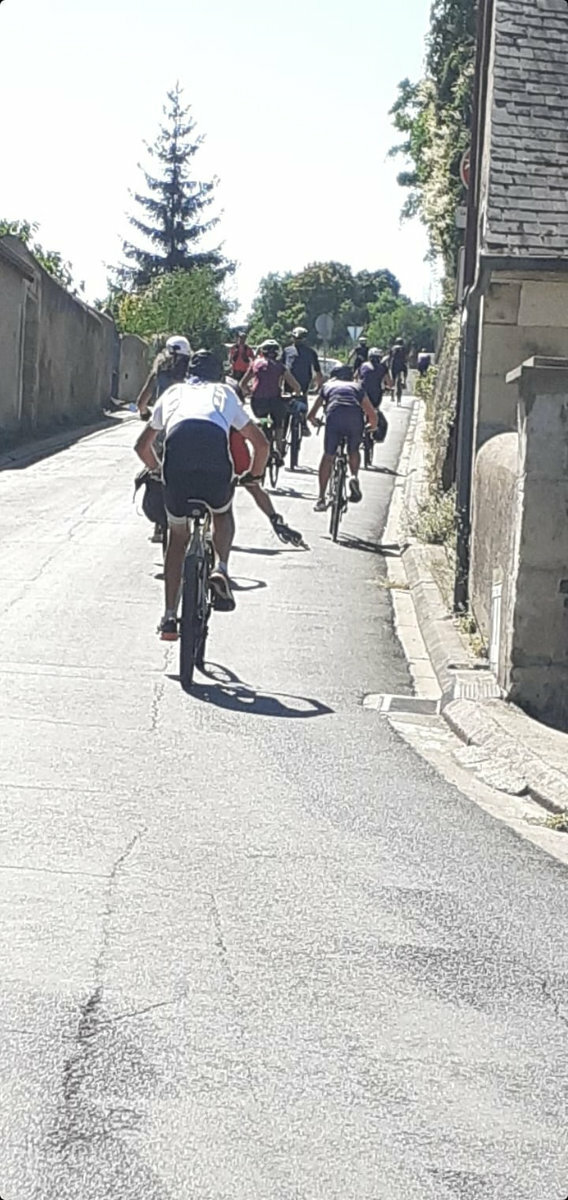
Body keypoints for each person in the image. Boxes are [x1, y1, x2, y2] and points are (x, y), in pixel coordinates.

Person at [135, 350, 269, 639]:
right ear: (219, 374)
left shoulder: (173, 393)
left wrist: (157, 471)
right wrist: (254, 475)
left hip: (177, 463)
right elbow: (261, 444)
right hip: (213, 461)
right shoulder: (225, 393)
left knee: (177, 537)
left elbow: (141, 447)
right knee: (222, 511)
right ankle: (221, 568)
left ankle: (169, 618)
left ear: (188, 374)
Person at [137, 335, 192, 541]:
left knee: (157, 470)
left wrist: (145, 413)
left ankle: (160, 525)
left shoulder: (158, 373)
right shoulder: (192, 375)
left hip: (161, 433)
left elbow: (141, 402)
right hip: (187, 431)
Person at [308, 364, 378, 512]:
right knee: (353, 450)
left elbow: (311, 415)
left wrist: (315, 421)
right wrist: (371, 426)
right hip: (354, 419)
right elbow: (371, 414)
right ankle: (353, 476)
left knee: (328, 456)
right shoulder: (357, 387)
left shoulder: (327, 386)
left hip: (334, 417)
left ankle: (321, 499)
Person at [240, 339, 301, 461]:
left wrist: (249, 391)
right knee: (278, 424)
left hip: (258, 402)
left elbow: (242, 384)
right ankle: (279, 451)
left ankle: (262, 435)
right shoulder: (280, 367)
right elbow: (296, 386)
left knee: (263, 420)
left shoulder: (255, 364)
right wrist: (296, 393)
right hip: (275, 402)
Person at [281, 327, 323, 433]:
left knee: (302, 400)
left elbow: (317, 370)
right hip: (289, 382)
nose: (298, 341)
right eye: (296, 338)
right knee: (287, 405)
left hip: (303, 382)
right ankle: (284, 429)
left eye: (300, 339)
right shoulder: (287, 351)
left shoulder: (310, 352)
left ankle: (303, 424)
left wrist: (319, 386)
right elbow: (281, 369)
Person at [359, 348, 392, 415]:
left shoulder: (363, 365)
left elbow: (356, 378)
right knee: (376, 412)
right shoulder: (383, 367)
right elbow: (390, 384)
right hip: (376, 396)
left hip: (362, 394)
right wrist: (387, 387)